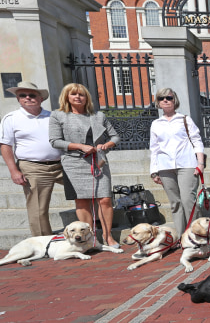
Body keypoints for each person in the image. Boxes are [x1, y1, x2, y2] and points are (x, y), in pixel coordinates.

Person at [49, 83, 120, 247]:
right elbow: (55, 141)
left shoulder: (98, 116)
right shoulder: (58, 116)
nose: (78, 97)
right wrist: (80, 146)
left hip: (98, 161)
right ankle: (91, 238)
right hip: (73, 163)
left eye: (81, 94)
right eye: (73, 94)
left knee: (105, 199)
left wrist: (106, 145)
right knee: (82, 201)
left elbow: (115, 137)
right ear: (67, 97)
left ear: (86, 97)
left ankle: (108, 237)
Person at [0, 81, 63, 236]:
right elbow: (5, 145)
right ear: (18, 99)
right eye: (23, 95)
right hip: (33, 167)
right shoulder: (11, 118)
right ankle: (43, 242)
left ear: (41, 98)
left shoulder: (53, 116)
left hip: (62, 165)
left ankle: (92, 228)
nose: (27, 98)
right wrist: (14, 171)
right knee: (38, 208)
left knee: (86, 193)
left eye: (32, 95)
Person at [149, 88, 206, 232]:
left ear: (175, 100)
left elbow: (197, 141)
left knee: (188, 200)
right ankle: (182, 236)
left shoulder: (184, 119)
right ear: (158, 102)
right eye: (162, 98)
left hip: (186, 164)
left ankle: (196, 234)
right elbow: (154, 148)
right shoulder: (156, 124)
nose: (165, 100)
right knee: (175, 203)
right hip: (165, 166)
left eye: (169, 97)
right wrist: (153, 171)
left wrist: (200, 164)